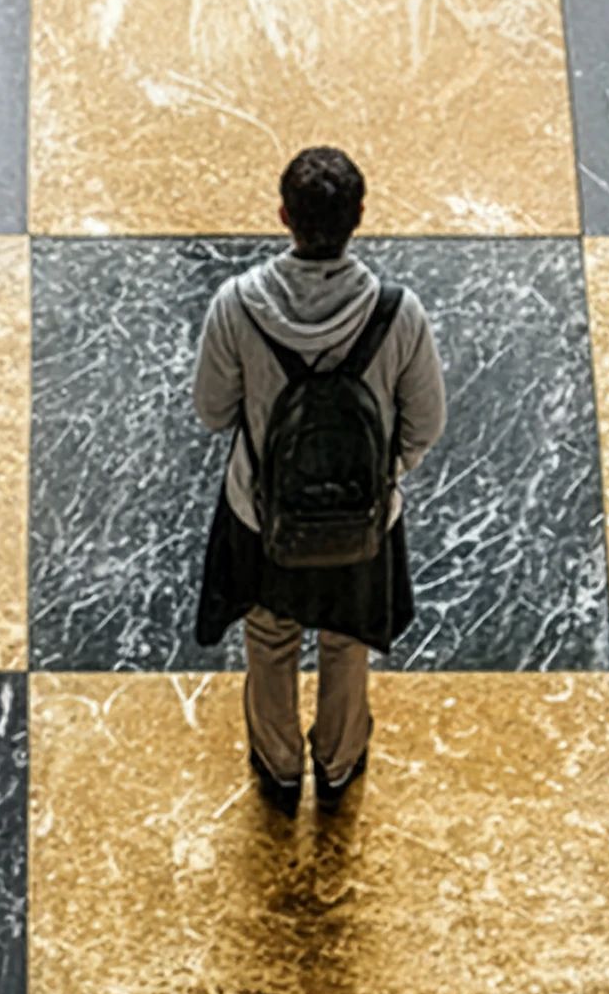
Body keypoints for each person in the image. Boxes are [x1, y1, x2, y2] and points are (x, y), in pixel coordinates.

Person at [191, 148, 447, 812]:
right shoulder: (399, 313)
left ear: (284, 216)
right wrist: (385, 477)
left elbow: (213, 412)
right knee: (346, 638)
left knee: (270, 636)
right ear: (359, 217)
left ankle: (278, 765)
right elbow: (426, 423)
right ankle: (338, 760)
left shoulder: (236, 306)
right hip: (365, 523)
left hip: (261, 519)